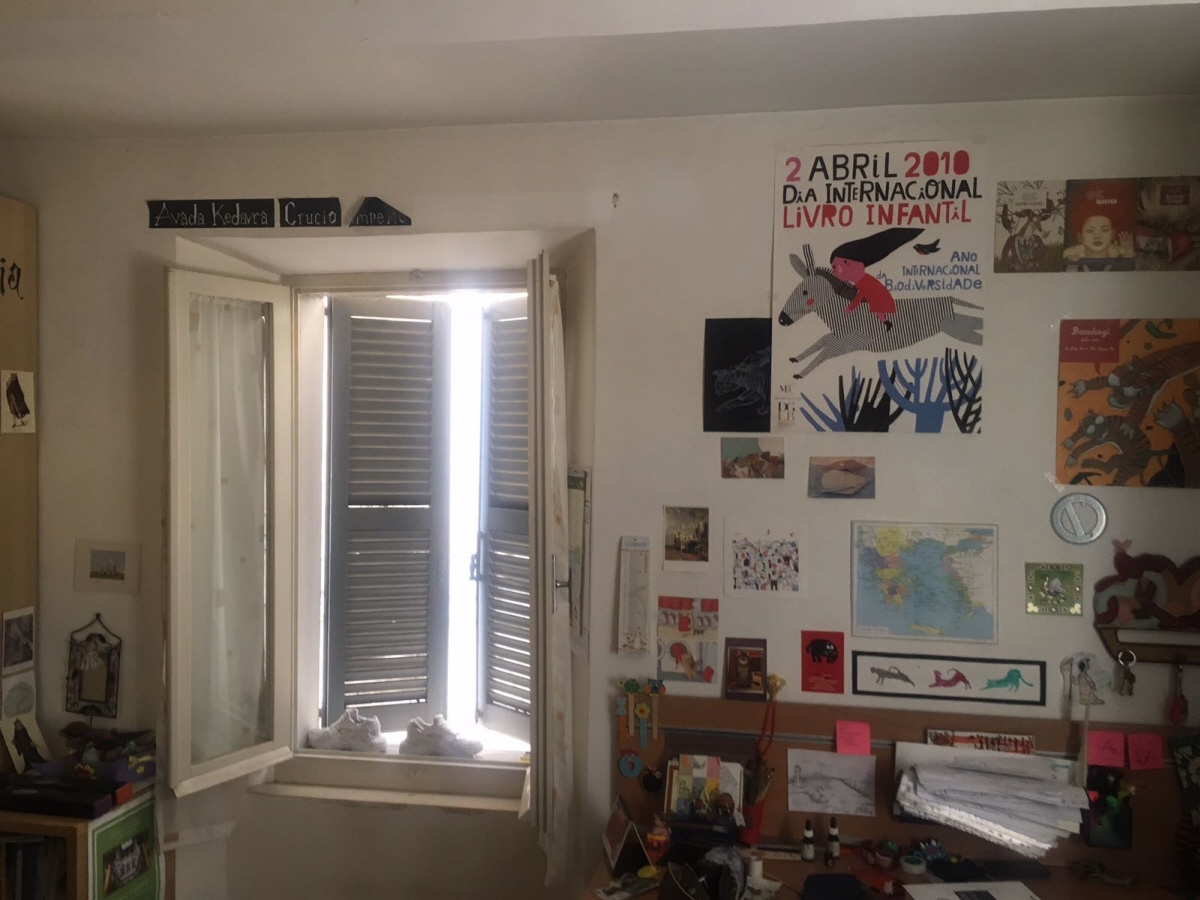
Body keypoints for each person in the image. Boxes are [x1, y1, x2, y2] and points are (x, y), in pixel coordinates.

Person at [829, 227, 924, 331]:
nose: (840, 271)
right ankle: (885, 322)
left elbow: (861, 296)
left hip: (879, 300)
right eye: (835, 268)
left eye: (845, 263)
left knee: (877, 308)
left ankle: (886, 322)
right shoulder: (862, 281)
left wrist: (850, 308)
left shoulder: (864, 281)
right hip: (877, 300)